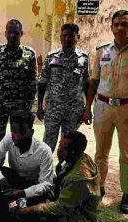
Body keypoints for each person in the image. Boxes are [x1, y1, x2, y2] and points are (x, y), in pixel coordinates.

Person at [81, 10, 128, 214]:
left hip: (127, 108)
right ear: (111, 27)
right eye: (116, 24)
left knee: (126, 154)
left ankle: (127, 193)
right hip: (102, 107)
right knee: (101, 153)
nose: (120, 28)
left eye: (124, 24)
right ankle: (99, 188)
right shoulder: (102, 51)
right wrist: (87, 107)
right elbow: (94, 81)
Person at [13, 131, 100, 222]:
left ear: (73, 151)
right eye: (59, 145)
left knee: (43, 217)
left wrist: (31, 209)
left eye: (63, 148)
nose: (59, 150)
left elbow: (61, 207)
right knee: (38, 185)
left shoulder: (78, 177)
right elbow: (60, 181)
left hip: (78, 217)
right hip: (73, 203)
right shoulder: (81, 157)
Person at [0, 19, 37, 147]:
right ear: (5, 33)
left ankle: (18, 159)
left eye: (16, 32)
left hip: (20, 105)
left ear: (21, 34)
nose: (12, 35)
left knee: (20, 136)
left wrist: (29, 103)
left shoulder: (29, 54)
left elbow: (32, 80)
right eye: (10, 32)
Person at [36, 23, 90, 152]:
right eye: (64, 36)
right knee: (48, 143)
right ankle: (45, 165)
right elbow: (42, 82)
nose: (67, 39)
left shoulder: (83, 58)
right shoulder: (52, 57)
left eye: (71, 36)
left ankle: (65, 164)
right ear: (60, 37)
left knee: (69, 145)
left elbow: (86, 84)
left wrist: (88, 108)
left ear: (78, 37)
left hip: (74, 109)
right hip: (53, 108)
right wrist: (39, 106)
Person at [0, 110, 54, 204]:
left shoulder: (44, 151)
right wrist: (1, 179)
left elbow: (46, 183)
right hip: (14, 180)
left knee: (35, 203)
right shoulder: (9, 138)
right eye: (14, 132)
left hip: (33, 185)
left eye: (22, 132)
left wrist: (22, 193)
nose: (17, 137)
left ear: (32, 132)